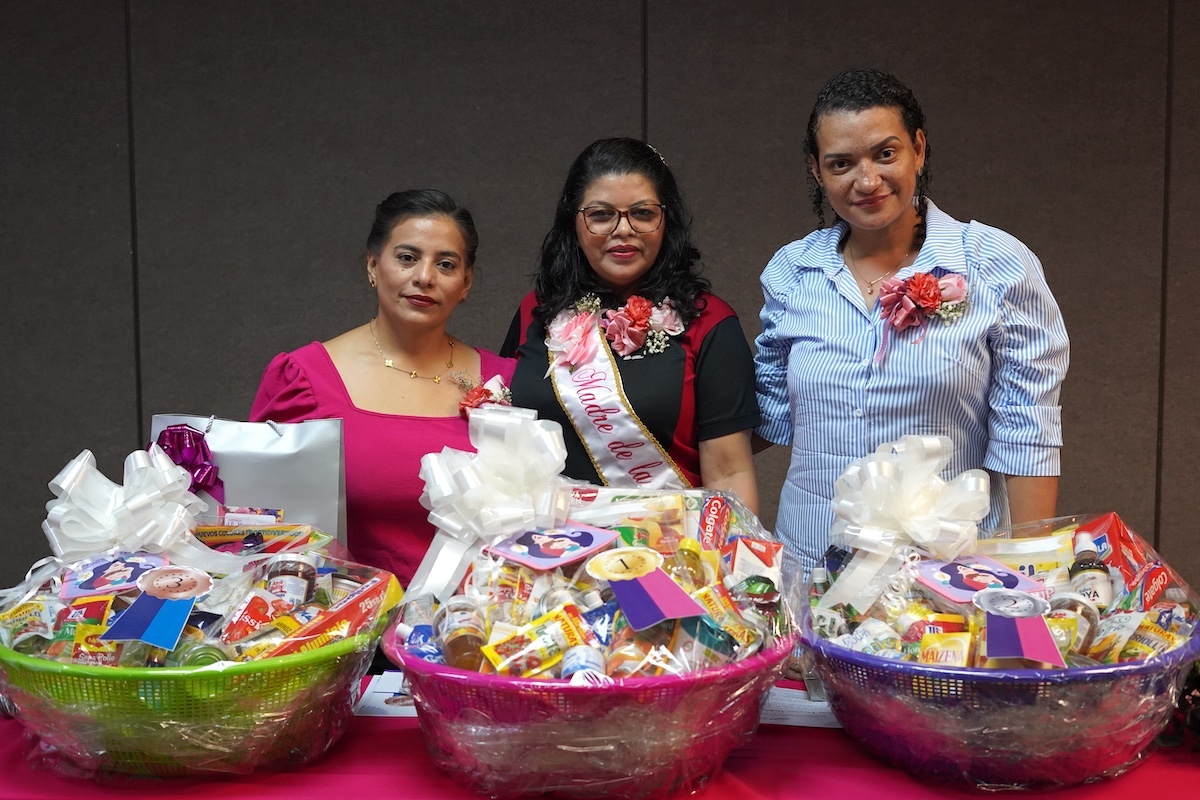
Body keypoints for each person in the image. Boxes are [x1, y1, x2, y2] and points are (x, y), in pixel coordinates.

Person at [754, 69, 1069, 572]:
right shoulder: (793, 271)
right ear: (817, 171)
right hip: (812, 566)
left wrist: (1033, 576)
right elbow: (764, 415)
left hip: (945, 568)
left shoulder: (993, 264)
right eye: (841, 163)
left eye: (885, 153)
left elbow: (1027, 434)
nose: (867, 180)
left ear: (918, 149)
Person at [251, 189, 515, 586]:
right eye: (407, 258)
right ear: (373, 265)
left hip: (477, 628)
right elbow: (259, 523)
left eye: (446, 264)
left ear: (466, 282)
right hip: (346, 629)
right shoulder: (304, 379)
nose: (424, 277)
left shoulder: (506, 380)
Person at [501, 138, 759, 509]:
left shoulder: (710, 323)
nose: (623, 230)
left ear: (665, 220)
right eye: (601, 215)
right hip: (546, 549)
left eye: (642, 213)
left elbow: (730, 475)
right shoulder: (536, 311)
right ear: (573, 222)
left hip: (667, 553)